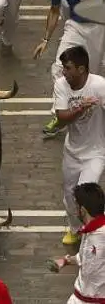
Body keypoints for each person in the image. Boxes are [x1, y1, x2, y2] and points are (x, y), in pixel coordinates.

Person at [33, 0, 105, 139]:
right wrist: (45, 39)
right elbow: (55, 11)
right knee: (59, 68)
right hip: (75, 26)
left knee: (93, 74)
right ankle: (60, 116)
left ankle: (91, 116)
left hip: (98, 26)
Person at [51, 46, 105, 245]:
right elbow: (62, 118)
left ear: (81, 69)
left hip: (96, 152)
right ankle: (75, 229)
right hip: (72, 152)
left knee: (85, 192)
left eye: (68, 68)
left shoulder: (99, 85)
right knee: (70, 197)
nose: (64, 72)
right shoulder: (61, 85)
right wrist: (81, 108)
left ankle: (93, 234)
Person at [53, 183, 105, 304]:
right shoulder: (88, 233)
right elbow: (84, 257)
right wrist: (67, 260)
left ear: (82, 209)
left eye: (76, 206)